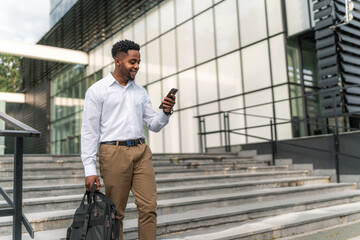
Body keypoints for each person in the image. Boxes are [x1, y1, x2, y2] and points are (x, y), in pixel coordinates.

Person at [81, 39, 176, 240]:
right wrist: (90, 170)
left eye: (138, 62)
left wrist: (166, 111)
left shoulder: (140, 92)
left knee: (149, 208)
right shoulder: (97, 91)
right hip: (114, 153)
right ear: (118, 61)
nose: (137, 66)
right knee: (115, 214)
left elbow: (154, 124)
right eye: (132, 62)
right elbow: (89, 132)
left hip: (141, 152)